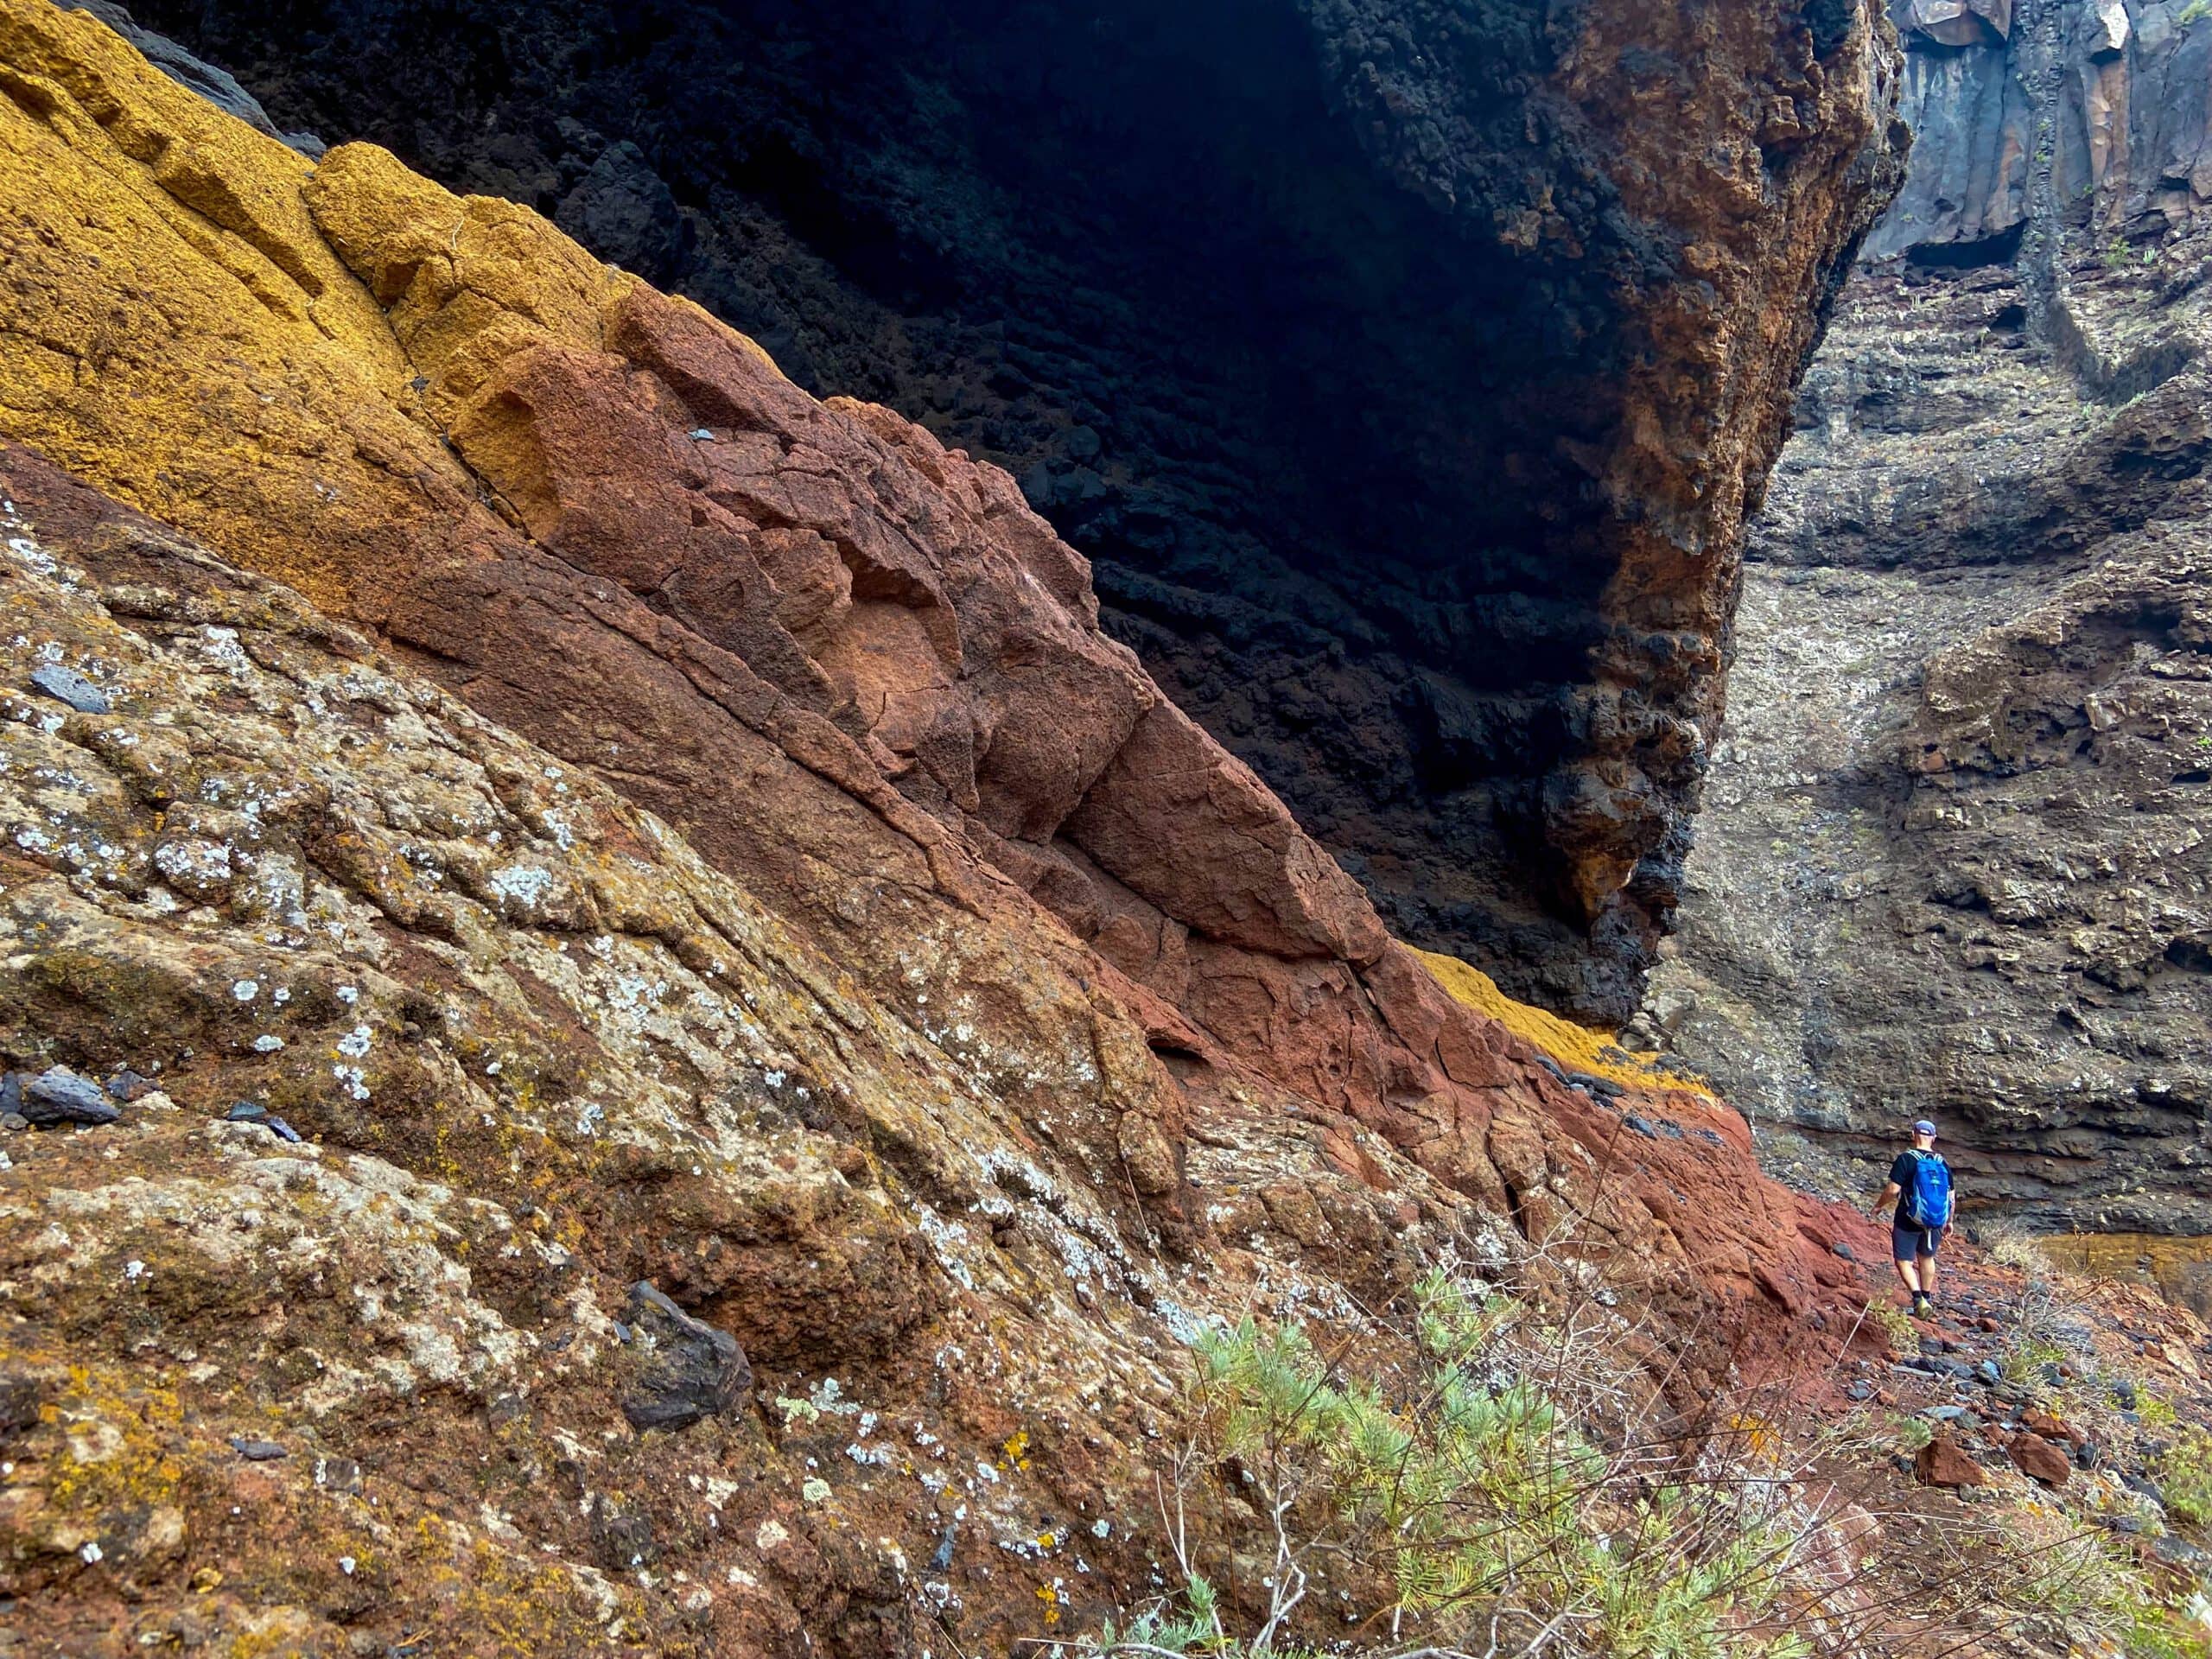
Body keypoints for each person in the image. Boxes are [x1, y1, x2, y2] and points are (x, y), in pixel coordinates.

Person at [1871, 1119, 1953, 1319]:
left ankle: (1918, 1300)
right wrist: (1949, 1221)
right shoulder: (1942, 1162)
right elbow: (1951, 1196)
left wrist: (1879, 1205)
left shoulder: (1907, 1158)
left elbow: (1893, 1189)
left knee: (1903, 1260)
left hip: (1908, 1218)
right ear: (1933, 1138)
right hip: (1935, 1220)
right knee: (1927, 1257)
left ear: (1913, 1135)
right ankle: (1927, 1296)